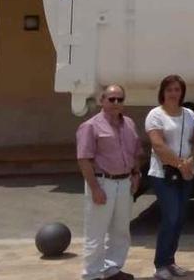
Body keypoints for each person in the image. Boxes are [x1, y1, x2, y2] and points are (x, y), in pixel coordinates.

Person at [76, 84, 142, 280]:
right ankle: (92, 275)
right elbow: (83, 159)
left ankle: (112, 269)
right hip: (102, 182)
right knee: (96, 233)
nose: (115, 103)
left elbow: (136, 151)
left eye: (119, 99)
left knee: (121, 231)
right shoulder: (90, 126)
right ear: (102, 101)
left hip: (125, 183)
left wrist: (136, 174)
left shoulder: (129, 123)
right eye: (111, 99)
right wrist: (95, 188)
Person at [145, 75, 194, 280]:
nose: (173, 93)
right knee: (171, 216)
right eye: (169, 89)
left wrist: (190, 162)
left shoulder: (189, 114)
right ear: (163, 92)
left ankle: (170, 261)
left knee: (180, 218)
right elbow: (158, 145)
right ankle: (160, 264)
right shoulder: (155, 115)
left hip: (186, 171)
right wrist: (179, 164)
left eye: (177, 89)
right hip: (164, 173)